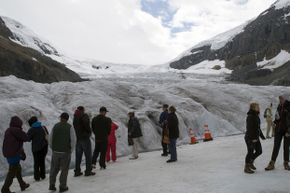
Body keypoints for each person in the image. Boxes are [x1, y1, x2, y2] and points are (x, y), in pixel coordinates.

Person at [1, 116, 30, 193]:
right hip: (13, 154)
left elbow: (16, 142)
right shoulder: (16, 130)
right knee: (12, 172)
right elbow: (26, 138)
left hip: (8, 153)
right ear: (18, 123)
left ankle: (22, 184)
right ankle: (5, 189)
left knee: (17, 168)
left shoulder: (8, 130)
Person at [49, 113, 76, 193]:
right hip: (65, 152)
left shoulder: (55, 126)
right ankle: (62, 186)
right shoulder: (70, 127)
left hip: (55, 151)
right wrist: (71, 150)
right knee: (64, 170)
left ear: (61, 118)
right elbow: (73, 140)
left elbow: (50, 138)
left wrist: (53, 148)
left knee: (54, 169)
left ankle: (52, 185)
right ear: (67, 119)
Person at [265, 95, 290, 171]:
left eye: (281, 99)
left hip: (287, 131)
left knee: (286, 147)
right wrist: (275, 122)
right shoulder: (279, 106)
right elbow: (277, 117)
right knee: (276, 146)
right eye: (279, 99)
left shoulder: (289, 106)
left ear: (285, 99)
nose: (280, 100)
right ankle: (272, 163)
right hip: (278, 130)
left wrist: (289, 131)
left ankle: (286, 163)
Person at [73, 106, 95, 177]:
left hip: (78, 138)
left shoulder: (75, 116)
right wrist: (89, 131)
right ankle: (88, 171)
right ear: (82, 110)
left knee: (78, 156)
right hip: (85, 138)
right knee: (88, 155)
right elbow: (86, 123)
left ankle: (77, 171)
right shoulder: (84, 115)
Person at [244, 103, 266, 174]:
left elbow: (258, 128)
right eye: (257, 107)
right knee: (250, 152)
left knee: (259, 151)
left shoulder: (256, 116)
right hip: (250, 137)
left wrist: (262, 136)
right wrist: (253, 138)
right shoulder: (250, 116)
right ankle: (246, 167)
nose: (259, 107)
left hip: (255, 137)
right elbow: (249, 128)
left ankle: (250, 162)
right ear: (253, 108)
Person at [27, 116, 49, 181]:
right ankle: (43, 175)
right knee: (42, 161)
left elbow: (28, 139)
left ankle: (37, 177)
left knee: (36, 163)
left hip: (36, 149)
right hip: (44, 147)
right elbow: (47, 135)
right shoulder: (43, 127)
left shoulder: (31, 129)